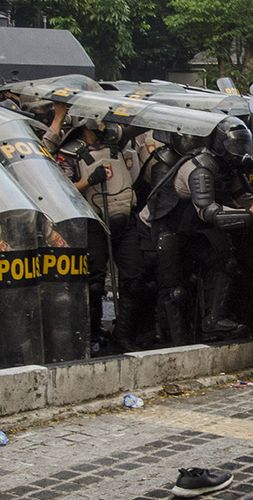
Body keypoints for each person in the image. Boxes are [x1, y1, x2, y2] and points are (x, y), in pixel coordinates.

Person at [44, 104, 145, 352]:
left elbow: (136, 126)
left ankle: (123, 334)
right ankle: (92, 334)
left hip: (124, 219)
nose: (102, 127)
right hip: (95, 223)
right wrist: (88, 181)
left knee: (135, 278)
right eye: (97, 121)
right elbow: (61, 189)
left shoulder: (114, 141)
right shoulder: (69, 152)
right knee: (95, 283)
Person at [147, 117, 253, 345]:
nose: (239, 153)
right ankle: (174, 342)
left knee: (225, 261)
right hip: (168, 229)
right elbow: (209, 211)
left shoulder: (229, 166)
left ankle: (213, 322)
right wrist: (251, 214)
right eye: (234, 146)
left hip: (192, 230)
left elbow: (240, 196)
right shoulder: (201, 168)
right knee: (174, 291)